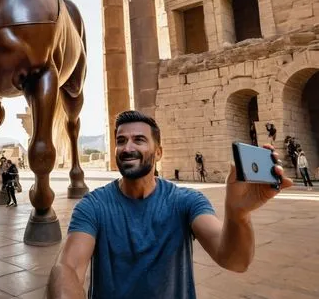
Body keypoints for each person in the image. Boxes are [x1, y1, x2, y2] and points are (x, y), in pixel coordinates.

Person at [47, 110, 292, 299]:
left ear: (159, 152)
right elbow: (68, 266)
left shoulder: (185, 201)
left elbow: (235, 260)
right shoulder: (94, 206)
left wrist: (237, 214)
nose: (127, 148)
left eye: (139, 140)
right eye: (121, 141)